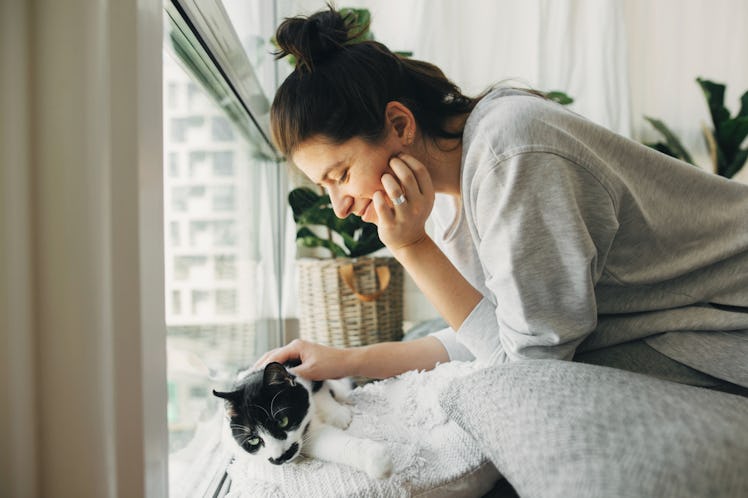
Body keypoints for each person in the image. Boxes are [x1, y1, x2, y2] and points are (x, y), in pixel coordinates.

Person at [256, 6, 748, 392]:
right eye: (325, 187)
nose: (340, 205)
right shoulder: (449, 191)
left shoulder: (509, 155)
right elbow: (493, 331)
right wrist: (348, 362)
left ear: (401, 125)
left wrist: (412, 248)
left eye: (340, 175)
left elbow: (529, 369)